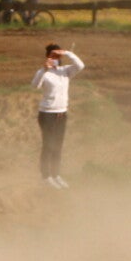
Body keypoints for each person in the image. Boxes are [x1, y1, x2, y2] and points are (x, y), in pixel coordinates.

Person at [30, 43, 83, 188]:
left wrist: (67, 53)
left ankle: (56, 175)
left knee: (58, 146)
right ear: (47, 57)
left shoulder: (65, 71)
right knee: (48, 145)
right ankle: (45, 177)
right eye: (52, 56)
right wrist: (44, 69)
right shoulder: (43, 72)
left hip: (62, 113)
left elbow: (80, 65)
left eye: (57, 56)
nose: (55, 58)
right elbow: (34, 86)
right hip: (47, 114)